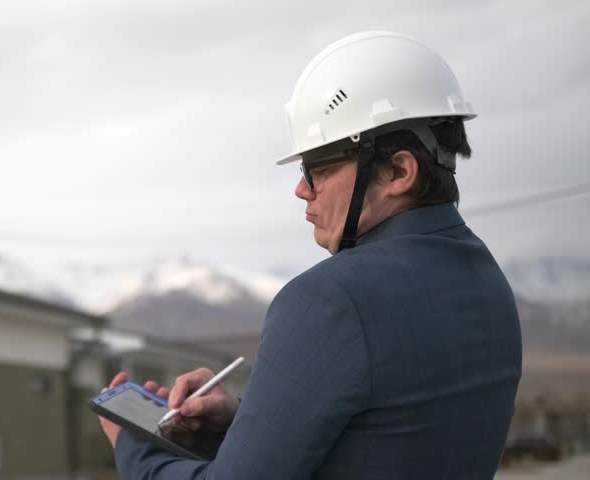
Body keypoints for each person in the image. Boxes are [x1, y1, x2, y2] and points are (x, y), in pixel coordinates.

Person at [98, 31, 522, 479]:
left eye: (318, 167)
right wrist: (247, 424)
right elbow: (389, 435)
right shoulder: (488, 284)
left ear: (399, 171)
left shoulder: (331, 299)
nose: (302, 189)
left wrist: (135, 448)